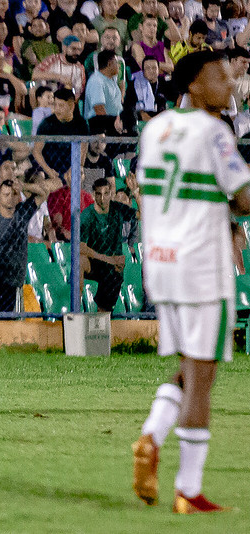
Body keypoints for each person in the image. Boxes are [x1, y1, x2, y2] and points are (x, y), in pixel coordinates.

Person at [132, 50, 250, 513]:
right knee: (203, 378)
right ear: (194, 86)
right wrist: (236, 213)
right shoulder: (214, 131)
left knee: (188, 366)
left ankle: (150, 437)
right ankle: (188, 488)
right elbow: (243, 198)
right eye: (220, 77)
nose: (231, 83)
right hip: (203, 266)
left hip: (162, 262)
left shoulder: (156, 127)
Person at [0, 177, 56, 312]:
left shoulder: (22, 213)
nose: (9, 198)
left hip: (14, 281)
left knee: (10, 320)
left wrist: (23, 185)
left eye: (13, 194)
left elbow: (43, 192)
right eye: (6, 195)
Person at [80, 178, 137, 312]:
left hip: (112, 266)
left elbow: (141, 214)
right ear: (93, 195)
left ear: (111, 194)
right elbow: (81, 247)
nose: (103, 198)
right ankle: (76, 308)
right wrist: (108, 259)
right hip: (94, 261)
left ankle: (103, 315)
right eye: (99, 194)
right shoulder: (87, 215)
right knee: (80, 261)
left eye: (106, 193)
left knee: (115, 275)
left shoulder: (117, 208)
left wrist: (135, 192)